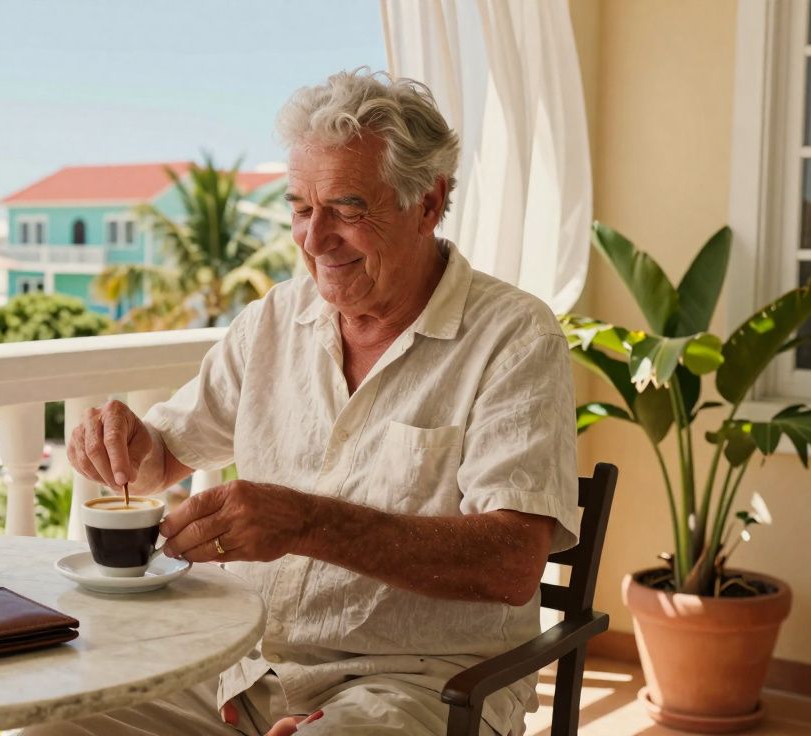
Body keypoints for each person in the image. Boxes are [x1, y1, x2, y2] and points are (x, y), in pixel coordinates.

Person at [32, 68, 579, 736]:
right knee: (57, 727)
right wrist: (121, 443)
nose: (314, 240)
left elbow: (511, 563)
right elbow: (157, 462)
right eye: (299, 208)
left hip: (418, 688)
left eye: (348, 211)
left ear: (429, 204)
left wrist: (306, 523)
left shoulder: (515, 338)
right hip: (240, 673)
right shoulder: (272, 323)